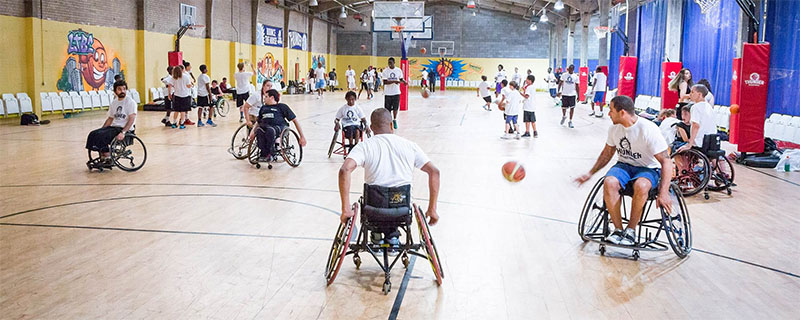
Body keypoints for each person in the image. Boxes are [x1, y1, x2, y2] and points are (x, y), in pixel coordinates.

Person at [574, 95, 673, 246]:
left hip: (648, 168)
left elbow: (666, 161)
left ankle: (631, 231)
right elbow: (607, 153)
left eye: (611, 110)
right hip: (624, 166)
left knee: (642, 185)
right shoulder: (614, 129)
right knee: (609, 182)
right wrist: (590, 173)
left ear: (622, 113)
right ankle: (618, 230)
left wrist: (664, 192)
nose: (608, 114)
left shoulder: (648, 129)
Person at [338, 108, 441, 250]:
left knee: (377, 207)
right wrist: (432, 209)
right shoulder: (410, 146)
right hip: (401, 209)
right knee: (395, 204)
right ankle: (392, 236)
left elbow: (344, 170)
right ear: (392, 125)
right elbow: (434, 172)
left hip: (373, 210)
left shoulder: (364, 146)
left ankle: (377, 236)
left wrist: (345, 209)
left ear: (372, 128)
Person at [85, 80, 137, 166]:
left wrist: (123, 132)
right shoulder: (114, 103)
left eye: (124, 89)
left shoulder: (130, 102)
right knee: (93, 134)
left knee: (102, 136)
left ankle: (107, 155)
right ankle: (102, 153)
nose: (122, 91)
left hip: (123, 129)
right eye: (119, 89)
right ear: (115, 91)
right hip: (114, 127)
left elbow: (132, 119)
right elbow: (110, 119)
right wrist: (102, 129)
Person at [248, 89, 307, 162]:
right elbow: (258, 122)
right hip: (265, 126)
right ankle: (263, 153)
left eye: (266, 97)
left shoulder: (282, 107)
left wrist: (302, 136)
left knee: (270, 131)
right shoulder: (263, 108)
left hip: (279, 127)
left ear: (272, 97)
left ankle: (271, 153)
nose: (264, 99)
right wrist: (252, 132)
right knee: (259, 131)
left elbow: (295, 121)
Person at [676, 84, 717, 153]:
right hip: (712, 141)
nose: (690, 94)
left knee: (676, 149)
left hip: (700, 143)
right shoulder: (709, 106)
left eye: (692, 92)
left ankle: (684, 164)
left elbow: (696, 125)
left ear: (699, 94)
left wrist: (690, 144)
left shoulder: (695, 107)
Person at [166, 65, 194, 129]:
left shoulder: (173, 77)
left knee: (176, 110)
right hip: (185, 95)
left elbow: (170, 85)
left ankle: (174, 123)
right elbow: (188, 85)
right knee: (183, 111)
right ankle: (182, 124)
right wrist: (192, 85)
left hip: (176, 95)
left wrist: (169, 93)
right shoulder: (185, 77)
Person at [382, 57, 406, 129]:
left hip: (396, 92)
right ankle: (389, 121)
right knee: (387, 109)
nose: (389, 64)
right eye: (388, 63)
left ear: (394, 62)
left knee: (395, 108)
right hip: (388, 93)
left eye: (391, 63)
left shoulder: (398, 70)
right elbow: (385, 82)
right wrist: (395, 81)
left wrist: (404, 81)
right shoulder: (385, 71)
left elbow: (401, 78)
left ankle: (394, 120)